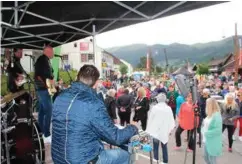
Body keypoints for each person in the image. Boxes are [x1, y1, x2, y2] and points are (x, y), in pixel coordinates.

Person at [52, 65, 138, 164]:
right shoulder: (93, 102)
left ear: (78, 77)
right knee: (125, 156)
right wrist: (133, 127)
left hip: (59, 158)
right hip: (82, 160)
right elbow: (116, 138)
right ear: (96, 83)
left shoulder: (60, 97)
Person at [146, 93, 175, 164]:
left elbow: (150, 119)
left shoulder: (155, 108)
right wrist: (170, 129)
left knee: (155, 147)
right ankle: (165, 161)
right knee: (164, 146)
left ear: (158, 99)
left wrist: (148, 130)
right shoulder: (168, 108)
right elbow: (171, 119)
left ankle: (156, 160)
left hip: (155, 130)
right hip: (164, 131)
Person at [34, 46, 54, 143]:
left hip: (42, 88)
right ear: (48, 51)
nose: (53, 53)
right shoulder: (42, 60)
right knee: (49, 110)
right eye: (52, 51)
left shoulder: (44, 60)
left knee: (42, 111)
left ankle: (41, 131)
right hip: (42, 88)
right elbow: (43, 75)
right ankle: (46, 134)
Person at [202, 98, 222, 164]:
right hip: (206, 140)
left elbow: (218, 130)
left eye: (207, 104)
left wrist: (206, 133)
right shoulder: (209, 115)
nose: (206, 105)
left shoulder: (217, 115)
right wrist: (202, 131)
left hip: (212, 141)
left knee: (212, 159)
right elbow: (204, 126)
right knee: (205, 157)